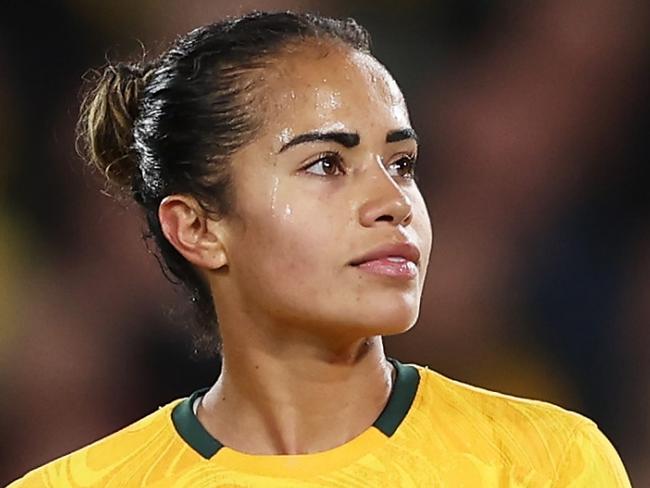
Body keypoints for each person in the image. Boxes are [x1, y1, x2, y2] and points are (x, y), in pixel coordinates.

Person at [9, 11, 631, 487]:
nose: (393, 200)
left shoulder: (541, 462)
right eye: (327, 164)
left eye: (402, 163)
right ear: (197, 228)